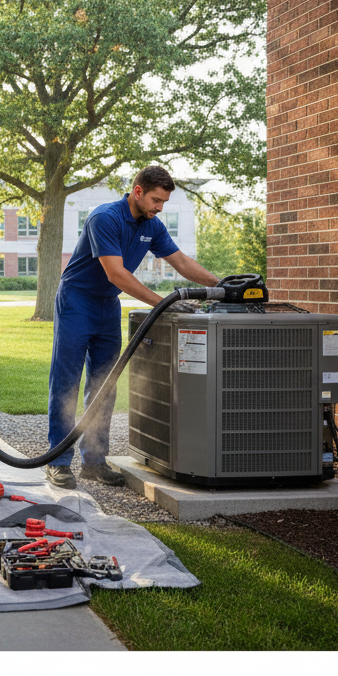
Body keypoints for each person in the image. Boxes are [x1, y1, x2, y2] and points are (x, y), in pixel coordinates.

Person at [46, 165, 220, 489]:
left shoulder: (152, 225)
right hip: (76, 302)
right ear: (137, 191)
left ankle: (94, 462)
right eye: (156, 200)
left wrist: (221, 285)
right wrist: (165, 302)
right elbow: (117, 274)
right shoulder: (105, 218)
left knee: (104, 385)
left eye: (164, 202)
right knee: (66, 382)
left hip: (107, 305)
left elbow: (181, 261)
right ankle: (57, 462)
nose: (159, 208)